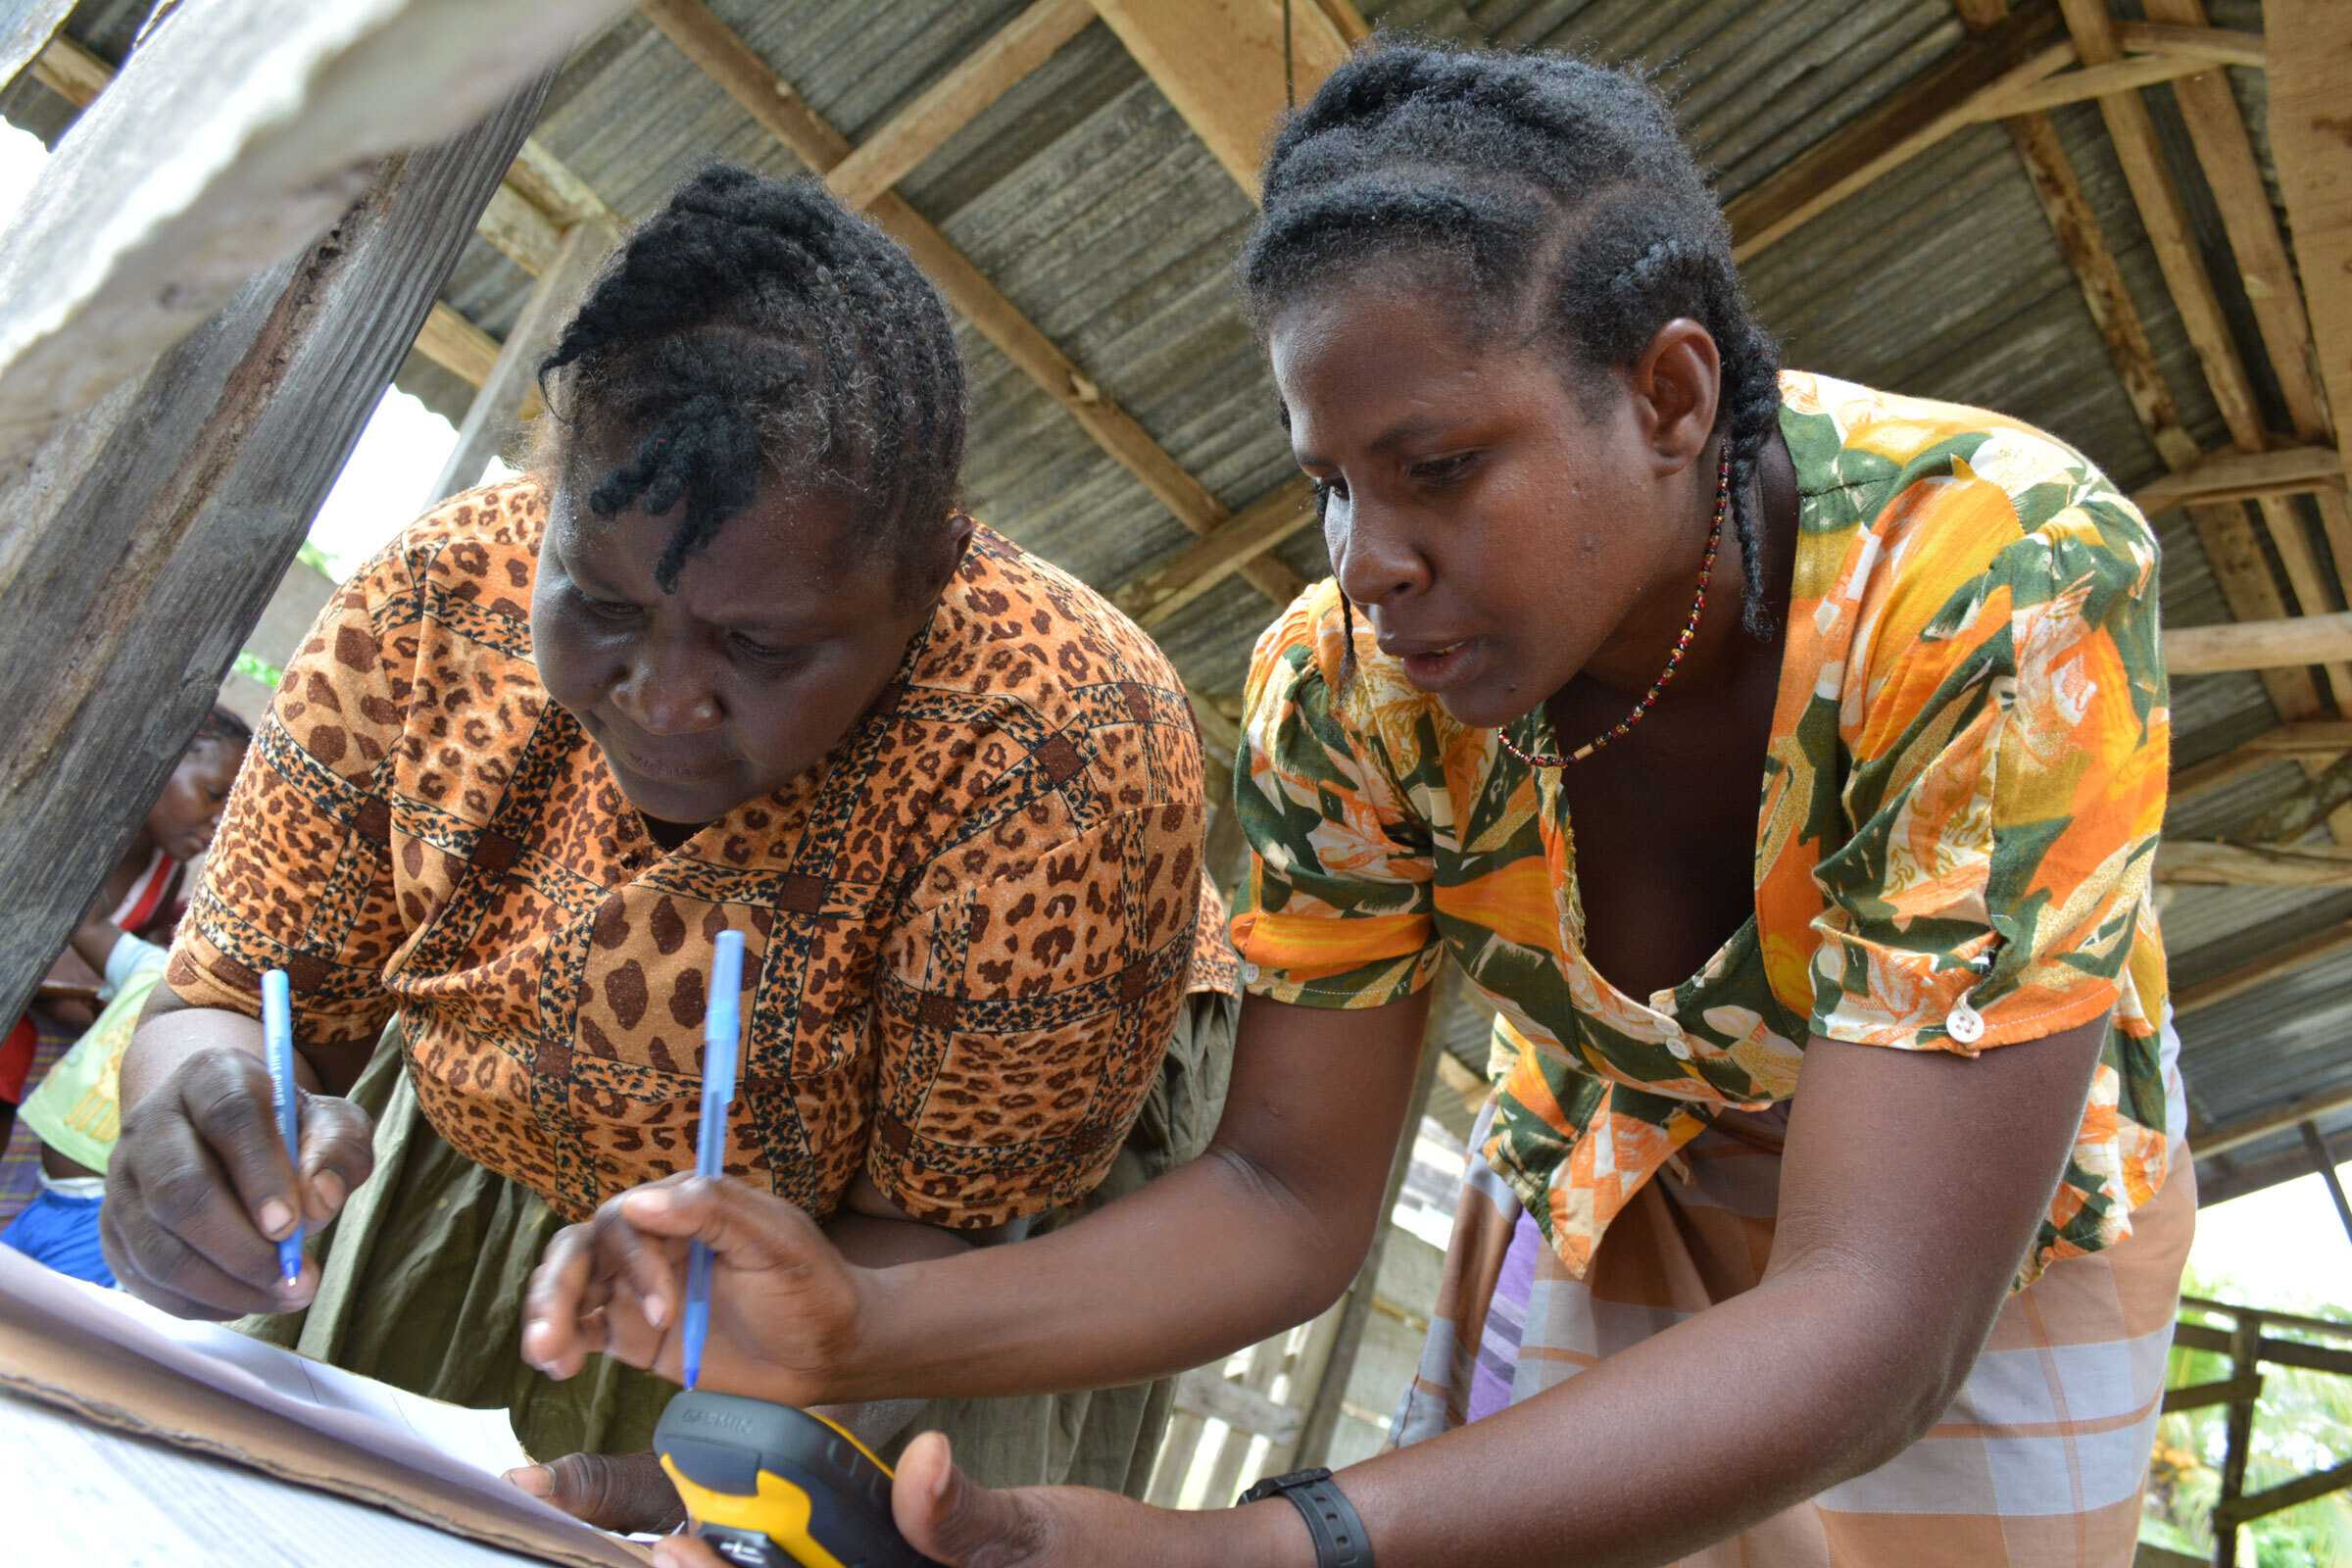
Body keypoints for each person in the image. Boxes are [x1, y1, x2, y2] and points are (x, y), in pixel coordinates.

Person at [527, 42, 2187, 1568]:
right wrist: (857, 1332)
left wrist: (1270, 1549)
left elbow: (1881, 1311)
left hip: (1985, 1234)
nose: (1366, 563)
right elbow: (1283, 1195)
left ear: (1671, 398)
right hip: (1620, 1163)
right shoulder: (1345, 696)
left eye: (1438, 467)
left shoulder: (1991, 592)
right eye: (1330, 485)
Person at [100, 165, 1238, 1529]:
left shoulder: (1065, 745)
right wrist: (201, 1138)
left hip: (927, 1252)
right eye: (600, 602)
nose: (664, 696)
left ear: (932, 575)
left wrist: (750, 1460)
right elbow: (238, 1002)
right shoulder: (428, 608)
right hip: (496, 1142)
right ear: (552, 498)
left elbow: (936, 1234)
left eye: (760, 646)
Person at [0, 706, 249, 1235]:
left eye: (233, 807)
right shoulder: (68, 826)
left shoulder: (165, 873)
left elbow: (127, 964)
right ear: (165, 763)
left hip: (45, 1047)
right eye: (212, 794)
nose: (220, 821)